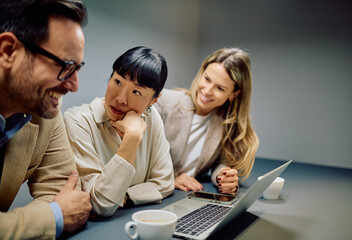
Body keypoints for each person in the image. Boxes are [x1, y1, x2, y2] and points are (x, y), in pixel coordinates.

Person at [0, 0, 92, 239]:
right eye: (65, 66)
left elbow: (64, 191)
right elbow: (62, 210)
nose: (74, 85)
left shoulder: (44, 109)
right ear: (8, 51)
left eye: (77, 68)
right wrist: (53, 216)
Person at [63, 46, 174, 217]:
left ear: (153, 101)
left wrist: (126, 196)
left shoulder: (152, 118)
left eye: (136, 91)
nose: (120, 99)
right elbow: (99, 204)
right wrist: (132, 139)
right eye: (117, 82)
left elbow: (165, 182)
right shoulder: (77, 121)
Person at [154, 47, 259, 195]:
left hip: (187, 194)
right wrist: (170, 180)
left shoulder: (226, 123)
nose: (207, 90)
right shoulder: (163, 101)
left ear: (234, 94)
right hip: (156, 194)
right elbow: (141, 160)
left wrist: (224, 177)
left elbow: (220, 162)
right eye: (207, 79)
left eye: (220, 88)